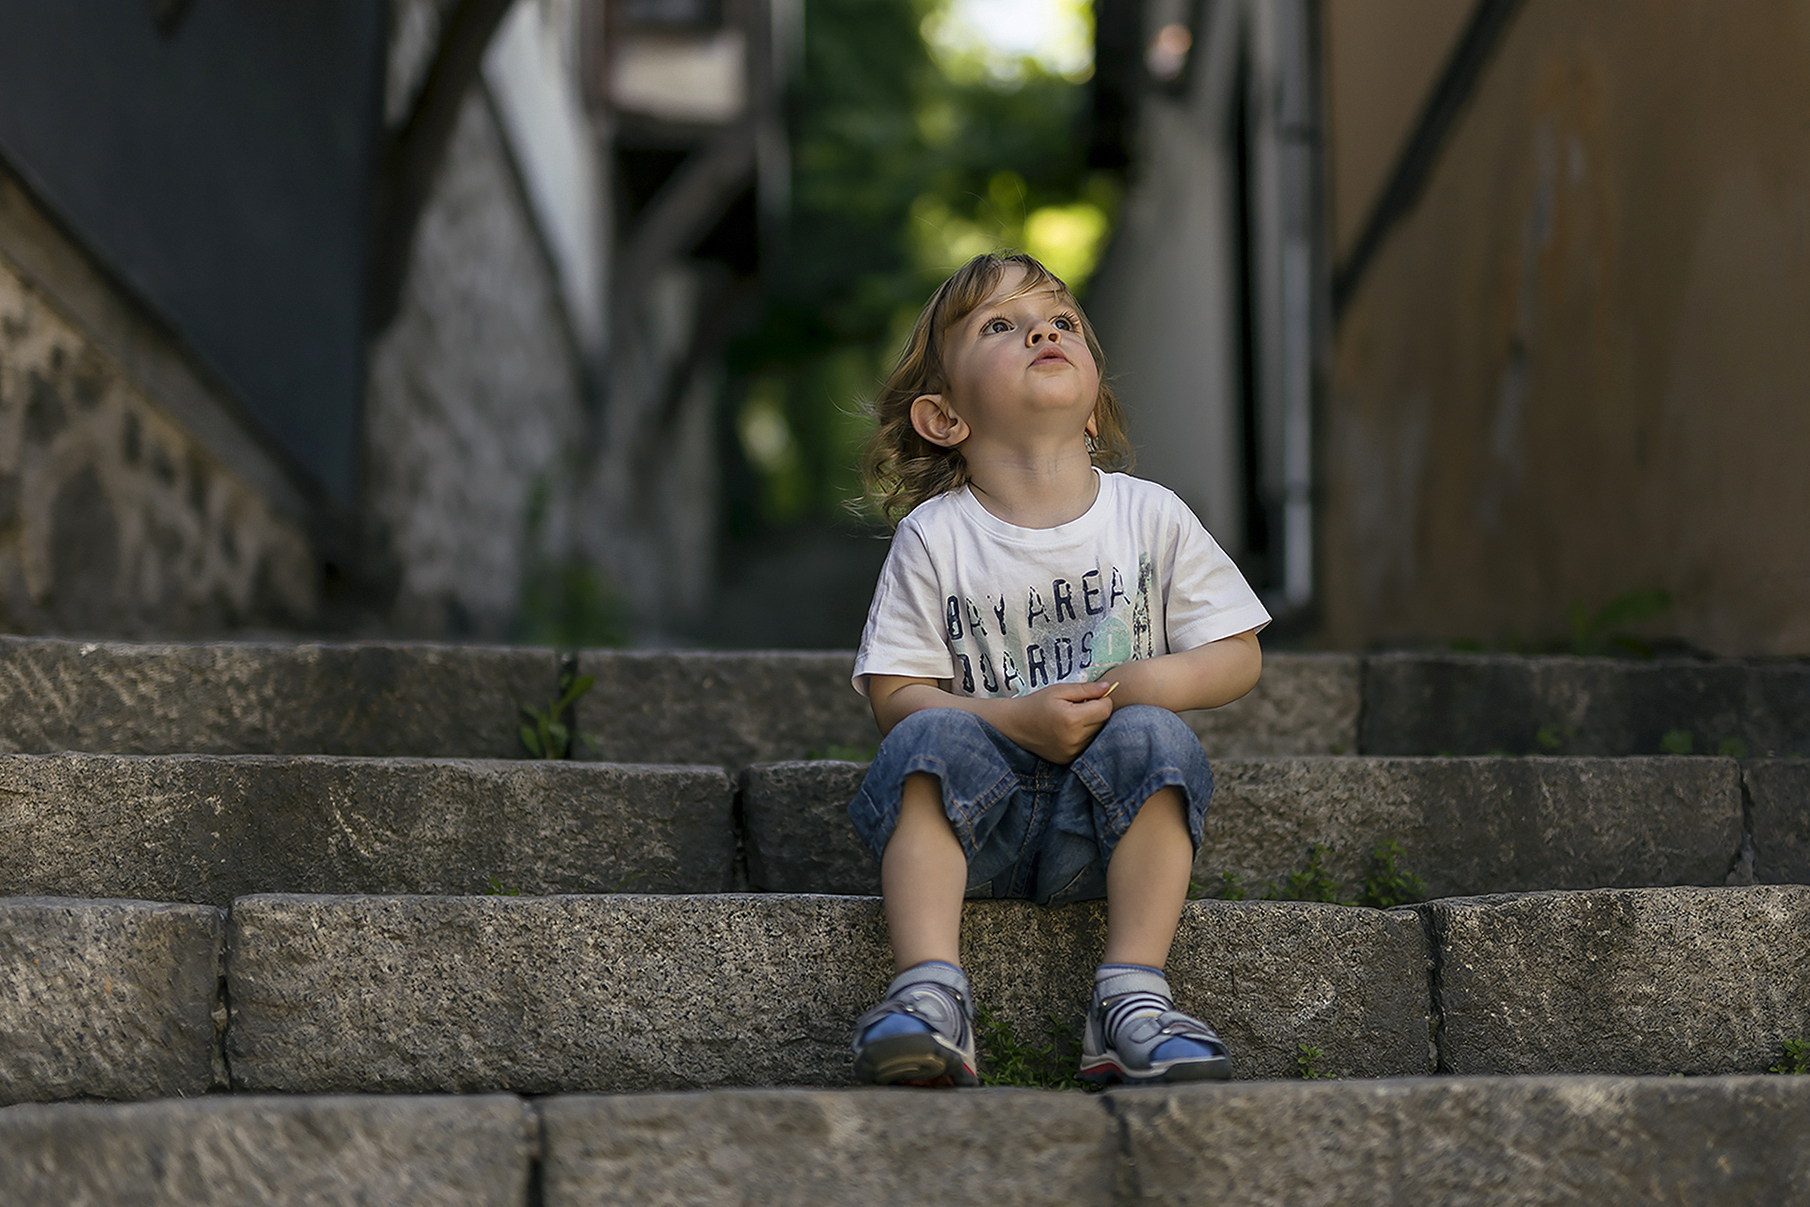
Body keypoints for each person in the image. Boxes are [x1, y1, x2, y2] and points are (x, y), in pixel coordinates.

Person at [845, 251, 1270, 1087]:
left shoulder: (1150, 515)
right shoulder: (935, 535)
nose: (1043, 331)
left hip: (1101, 830)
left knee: (1158, 736)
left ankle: (1131, 998)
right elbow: (895, 695)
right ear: (944, 417)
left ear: (1094, 409)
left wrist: (1145, 682)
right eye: (1001, 326)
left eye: (1062, 321)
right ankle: (930, 993)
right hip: (979, 824)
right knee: (929, 738)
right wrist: (1012, 719)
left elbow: (1239, 653)